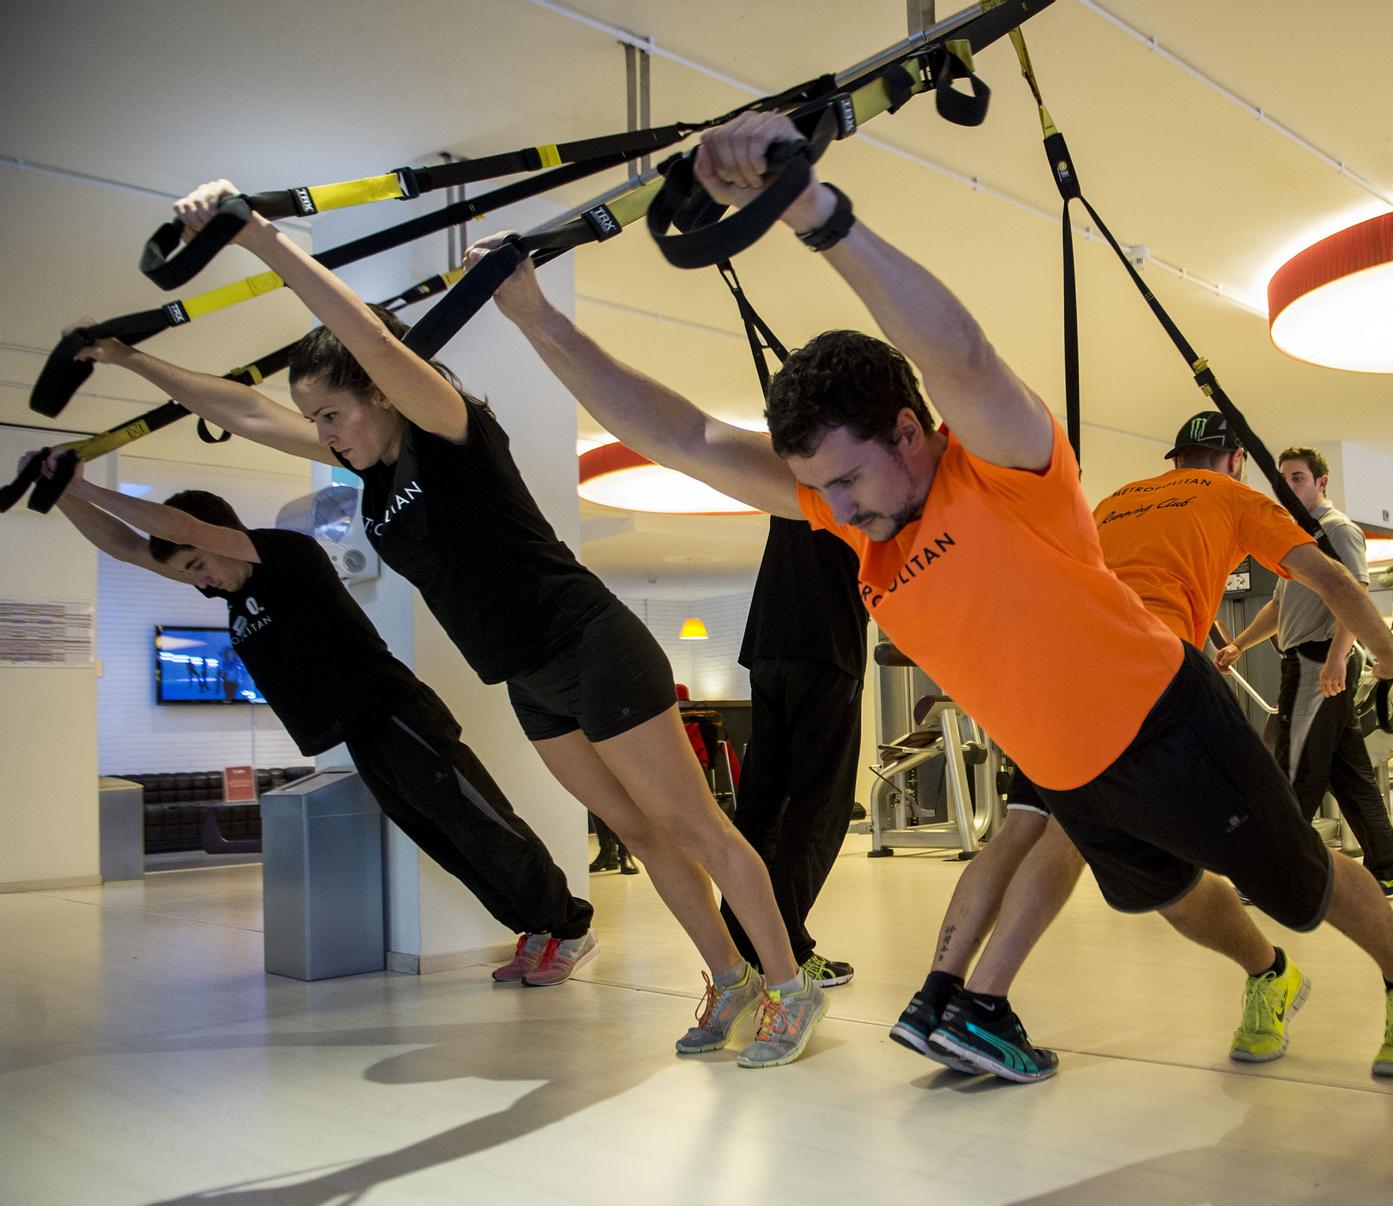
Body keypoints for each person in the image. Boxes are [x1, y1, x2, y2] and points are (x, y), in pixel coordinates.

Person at [483, 108, 1393, 1087]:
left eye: (847, 480)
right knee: (1177, 896)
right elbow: (682, 435)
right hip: (1068, 770)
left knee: (1302, 887)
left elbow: (959, 355)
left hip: (1166, 725)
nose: (835, 506)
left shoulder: (1004, 464)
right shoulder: (855, 514)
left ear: (906, 431)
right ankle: (1262, 978)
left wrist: (806, 206)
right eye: (823, 488)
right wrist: (534, 315)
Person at [71, 180, 827, 1068]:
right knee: (642, 832)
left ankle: (788, 983)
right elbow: (240, 412)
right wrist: (132, 360)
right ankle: (727, 974)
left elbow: (366, 339)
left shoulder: (443, 423)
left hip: (590, 639)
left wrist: (261, 240)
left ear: (381, 394)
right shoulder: (371, 474)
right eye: (315, 417)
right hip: (528, 674)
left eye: (333, 411)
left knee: (696, 825)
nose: (324, 432)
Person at [892, 413, 1393, 1082]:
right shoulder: (1236, 496)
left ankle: (953, 997)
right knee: (1249, 874)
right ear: (1235, 460)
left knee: (1061, 840)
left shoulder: (1113, 501)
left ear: (1176, 458)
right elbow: (1330, 582)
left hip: (1060, 685)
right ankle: (1323, 975)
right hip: (1151, 687)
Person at [38, 469, 596, 983]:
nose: (200, 582)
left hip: (394, 712)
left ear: (213, 537)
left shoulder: (286, 554)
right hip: (358, 731)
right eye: (189, 574)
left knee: (480, 821)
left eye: (198, 564)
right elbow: (127, 547)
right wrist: (64, 491)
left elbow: (178, 527)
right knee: (443, 838)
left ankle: (570, 926)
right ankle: (535, 930)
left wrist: (81, 485)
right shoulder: (227, 586)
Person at [1215, 443, 1393, 895]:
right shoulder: (1294, 537)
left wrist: (1335, 658)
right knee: (1349, 775)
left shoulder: (1337, 530)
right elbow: (1277, 604)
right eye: (1282, 479)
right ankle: (1390, 867)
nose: (1288, 487)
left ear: (1321, 482)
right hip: (1306, 660)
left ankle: (1274, 873)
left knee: (1292, 771)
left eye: (1298, 478)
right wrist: (1238, 644)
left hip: (1317, 661)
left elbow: (1353, 593)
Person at [718, 517, 868, 989]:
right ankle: (787, 952)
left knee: (760, 808)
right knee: (819, 806)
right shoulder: (859, 469)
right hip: (826, 644)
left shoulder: (793, 466)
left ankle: (743, 944)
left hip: (768, 645)